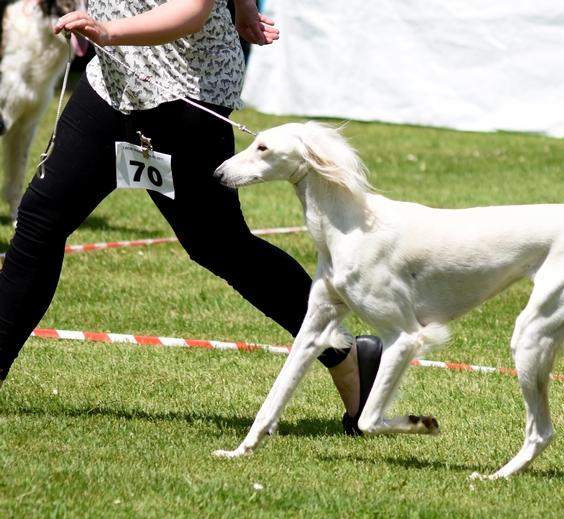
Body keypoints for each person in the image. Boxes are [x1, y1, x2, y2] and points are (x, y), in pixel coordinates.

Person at [0, 0, 380, 435]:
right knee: (39, 221)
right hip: (112, 81)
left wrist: (107, 31)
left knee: (219, 245)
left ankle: (346, 356)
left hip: (184, 91)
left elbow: (193, 10)